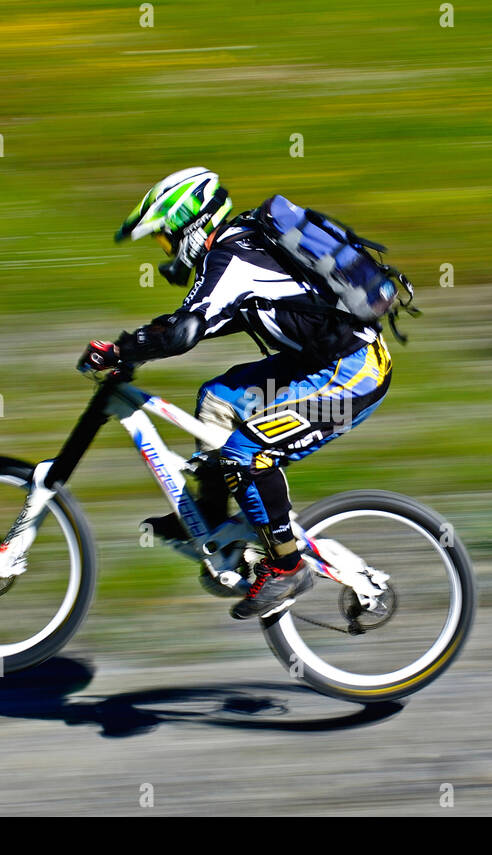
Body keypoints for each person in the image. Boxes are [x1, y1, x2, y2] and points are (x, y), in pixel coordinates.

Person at [84, 167, 392, 619]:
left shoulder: (232, 257)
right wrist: (138, 350)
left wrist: (122, 348)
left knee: (246, 454)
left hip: (353, 372)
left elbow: (185, 330)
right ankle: (208, 520)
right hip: (320, 362)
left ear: (191, 224)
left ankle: (287, 566)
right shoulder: (238, 246)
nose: (167, 252)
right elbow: (197, 323)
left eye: (166, 239)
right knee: (218, 399)